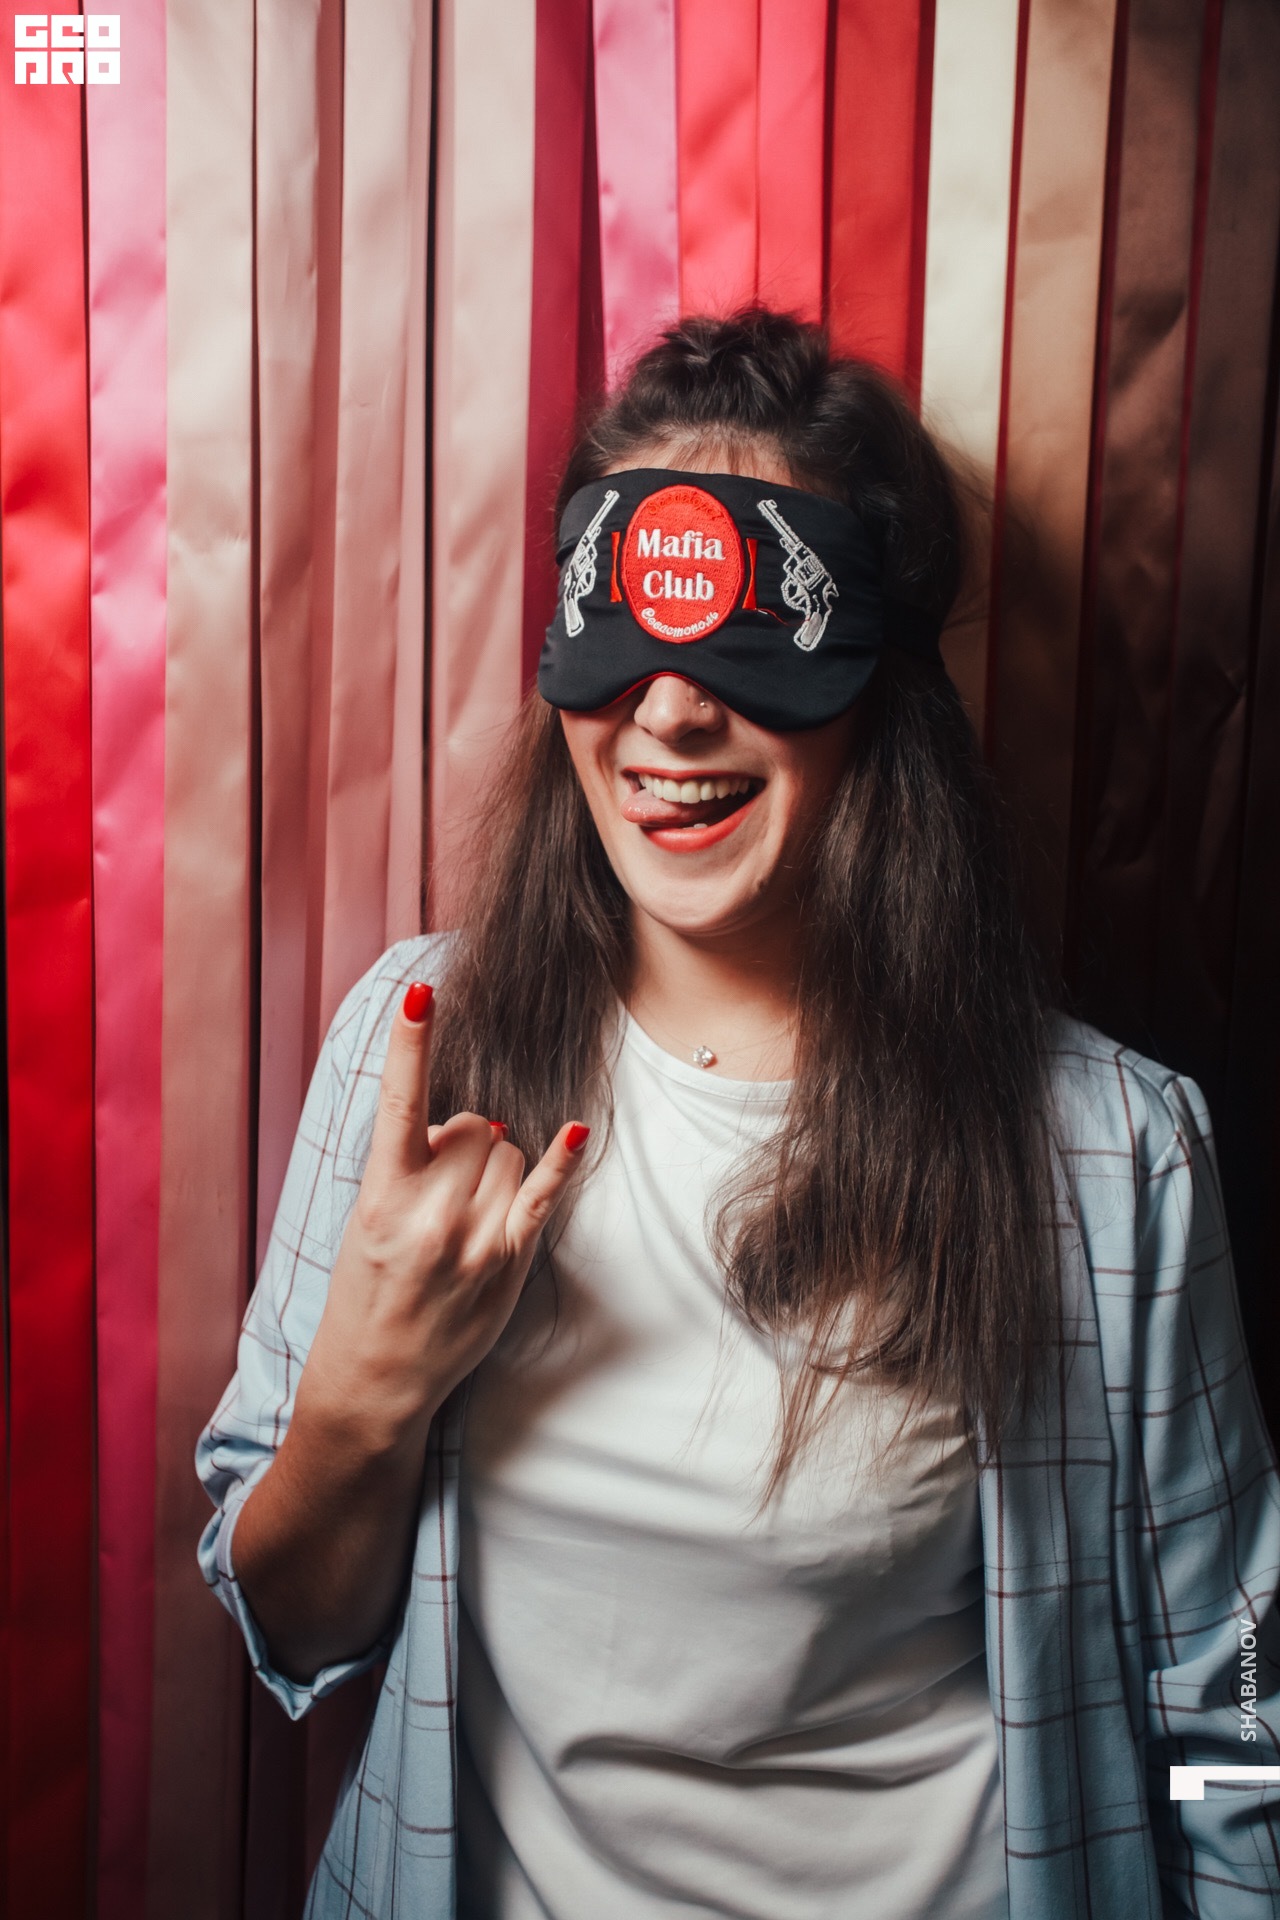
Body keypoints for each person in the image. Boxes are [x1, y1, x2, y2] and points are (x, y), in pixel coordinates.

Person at [197, 310, 1280, 1920]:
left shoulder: (1112, 1156)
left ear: (881, 688)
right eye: (622, 639)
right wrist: (363, 1396)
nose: (671, 717)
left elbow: (1240, 1704)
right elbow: (288, 1626)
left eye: (749, 648)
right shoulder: (414, 1052)